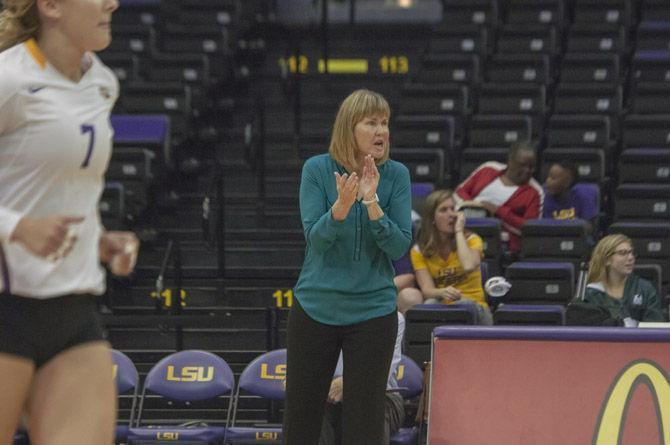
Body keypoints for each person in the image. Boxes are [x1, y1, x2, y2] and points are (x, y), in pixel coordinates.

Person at [0, 1, 139, 444]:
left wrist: (99, 240)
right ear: (52, 5)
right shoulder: (9, 78)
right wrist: (17, 228)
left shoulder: (101, 83)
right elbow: (23, 211)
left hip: (71, 308)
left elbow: (59, 187)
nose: (112, 3)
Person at [282, 89, 412, 445]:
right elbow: (317, 240)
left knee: (365, 424)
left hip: (373, 310)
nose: (381, 130)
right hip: (316, 306)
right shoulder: (317, 169)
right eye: (371, 122)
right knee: (302, 418)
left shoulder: (397, 176)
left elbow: (400, 244)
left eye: (384, 123)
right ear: (349, 128)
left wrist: (371, 203)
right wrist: (340, 208)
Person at [397, 189, 492, 324]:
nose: (451, 214)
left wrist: (459, 231)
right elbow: (427, 289)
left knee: (463, 305)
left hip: (474, 305)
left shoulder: (472, 240)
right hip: (442, 304)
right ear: (432, 219)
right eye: (443, 210)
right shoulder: (420, 251)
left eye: (453, 209)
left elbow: (469, 265)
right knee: (429, 304)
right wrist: (441, 292)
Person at [319, 312, 406, 445]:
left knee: (371, 408)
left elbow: (381, 373)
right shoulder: (323, 315)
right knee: (313, 410)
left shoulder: (392, 317)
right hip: (330, 393)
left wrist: (348, 382)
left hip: (382, 394)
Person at [455, 141, 543, 254]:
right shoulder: (488, 168)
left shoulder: (535, 192)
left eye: (531, 166)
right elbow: (459, 191)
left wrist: (499, 211)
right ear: (510, 161)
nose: (527, 170)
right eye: (522, 165)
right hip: (465, 228)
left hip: (498, 242)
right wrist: (473, 206)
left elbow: (530, 229)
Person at [584, 234, 664, 325]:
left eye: (631, 253)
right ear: (606, 260)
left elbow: (655, 327)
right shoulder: (592, 293)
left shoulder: (645, 289)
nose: (631, 258)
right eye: (622, 253)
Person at [543, 161, 598, 233]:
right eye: (548, 177)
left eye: (553, 178)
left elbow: (590, 228)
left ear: (567, 182)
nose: (547, 181)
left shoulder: (583, 197)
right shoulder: (545, 198)